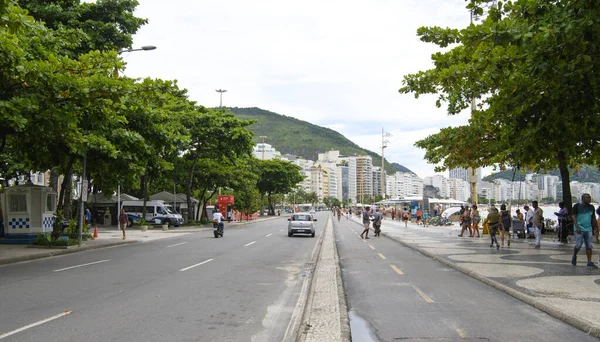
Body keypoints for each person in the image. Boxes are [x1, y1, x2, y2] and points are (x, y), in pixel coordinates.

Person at [571, 194, 598, 268]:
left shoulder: (591, 207)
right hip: (579, 229)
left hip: (588, 229)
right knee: (578, 245)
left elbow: (593, 218)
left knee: (589, 246)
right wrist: (577, 227)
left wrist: (596, 228)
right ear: (583, 199)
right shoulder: (577, 206)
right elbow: (573, 216)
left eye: (590, 197)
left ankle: (589, 262)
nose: (589, 199)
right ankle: (574, 255)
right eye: (587, 198)